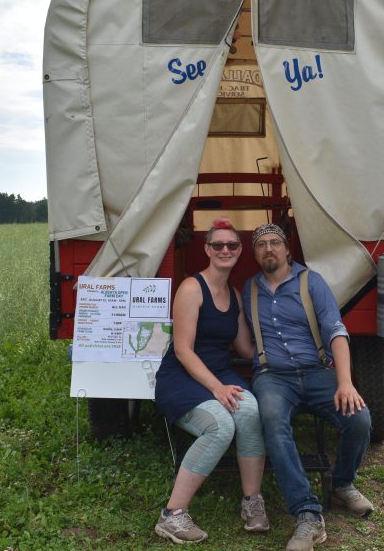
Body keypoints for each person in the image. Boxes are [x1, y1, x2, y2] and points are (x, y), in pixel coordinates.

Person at [242, 224, 374, 551]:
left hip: (317, 371)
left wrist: (345, 382)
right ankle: (307, 513)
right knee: (272, 420)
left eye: (275, 243)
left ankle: (342, 484)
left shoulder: (310, 282)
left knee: (359, 419)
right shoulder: (249, 289)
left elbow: (336, 331)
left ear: (288, 250)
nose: (268, 249)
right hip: (273, 375)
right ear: (255, 254)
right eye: (261, 245)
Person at [153, 218, 269, 543]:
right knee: (220, 425)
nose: (225, 250)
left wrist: (287, 353)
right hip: (182, 377)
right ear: (206, 249)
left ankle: (252, 501)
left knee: (250, 413)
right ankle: (172, 515)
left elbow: (246, 348)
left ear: (239, 250)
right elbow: (183, 350)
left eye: (231, 245)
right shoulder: (192, 288)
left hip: (220, 374)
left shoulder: (234, 294)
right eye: (217, 244)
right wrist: (216, 388)